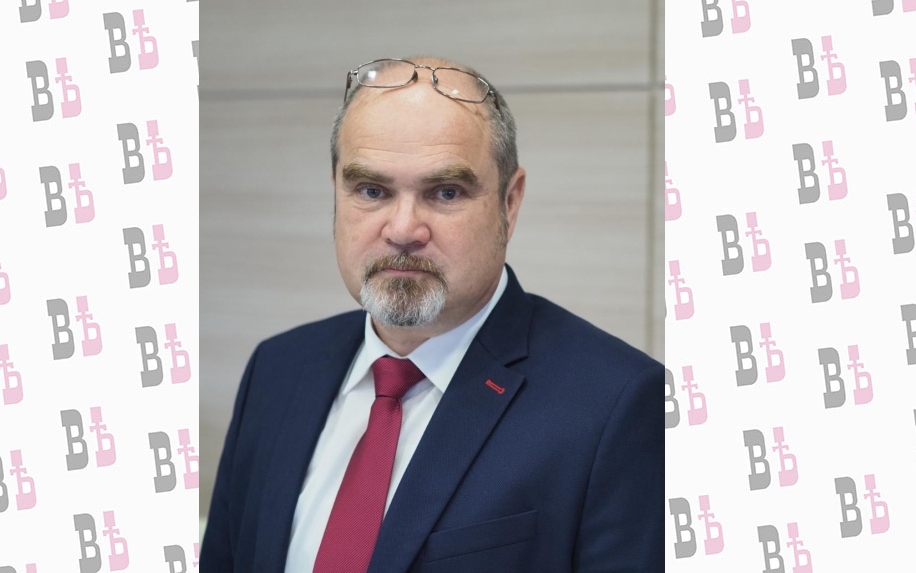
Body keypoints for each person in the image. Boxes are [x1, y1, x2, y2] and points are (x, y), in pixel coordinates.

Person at [200, 56, 663, 572]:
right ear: (337, 193)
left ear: (510, 203)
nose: (403, 229)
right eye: (371, 191)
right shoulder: (277, 369)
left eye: (445, 192)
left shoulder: (614, 406)